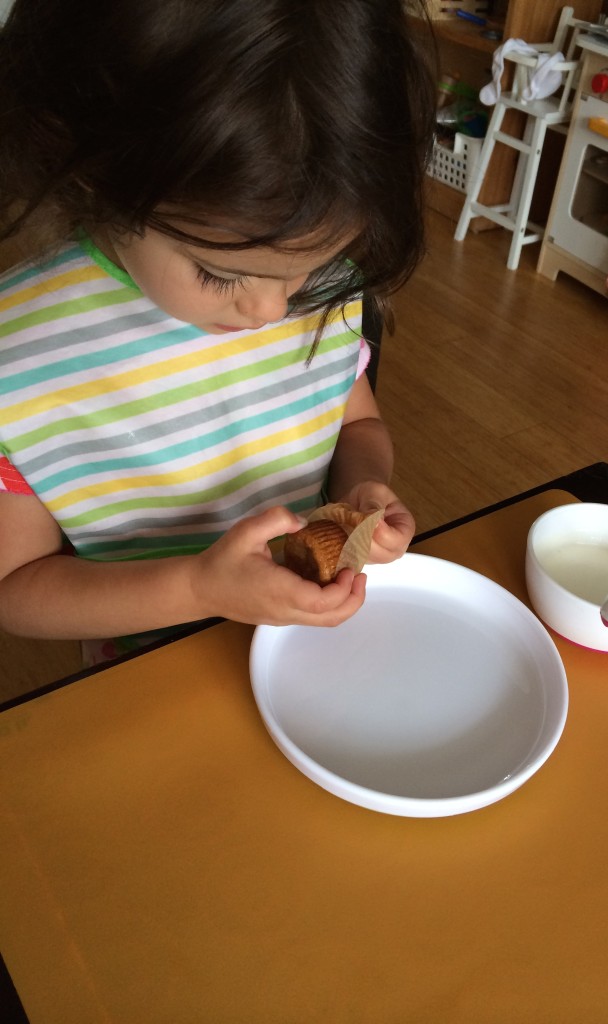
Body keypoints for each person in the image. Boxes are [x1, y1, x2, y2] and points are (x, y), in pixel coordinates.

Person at [0, 0, 436, 663]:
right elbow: (16, 588)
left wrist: (361, 490)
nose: (270, 312)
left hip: (301, 641)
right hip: (152, 665)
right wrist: (201, 588)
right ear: (98, 176)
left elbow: (355, 426)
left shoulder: (316, 288)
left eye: (309, 268)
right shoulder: (24, 354)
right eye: (220, 274)